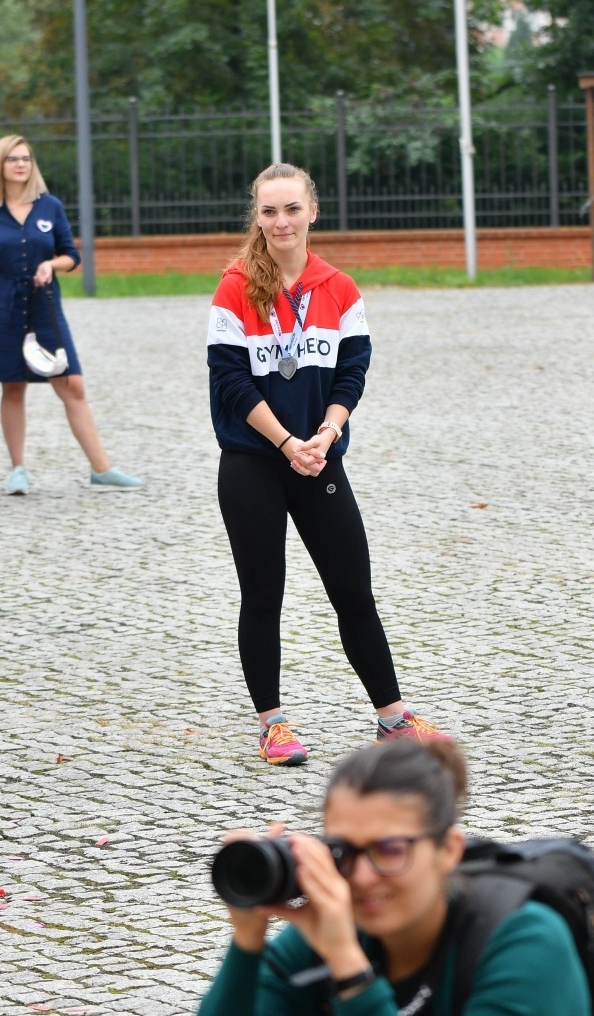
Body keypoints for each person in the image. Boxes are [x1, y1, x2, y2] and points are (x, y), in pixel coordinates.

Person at [207, 162, 442, 766]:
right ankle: (273, 724)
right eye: (269, 211)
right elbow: (231, 379)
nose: (280, 222)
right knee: (262, 595)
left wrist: (327, 432)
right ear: (256, 217)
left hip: (320, 455)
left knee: (353, 592)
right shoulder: (235, 286)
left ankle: (392, 717)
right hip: (254, 460)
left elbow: (352, 370)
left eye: (291, 209)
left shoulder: (339, 287)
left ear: (313, 211)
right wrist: (288, 442)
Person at [179, 739, 594, 1016]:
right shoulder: (330, 937)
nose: (362, 877)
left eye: (389, 850)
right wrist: (248, 938)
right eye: (344, 851)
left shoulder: (526, 942)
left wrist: (348, 967)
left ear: (448, 851)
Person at [0, 134, 142, 494]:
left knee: (72, 384)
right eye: (13, 159)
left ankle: (101, 468)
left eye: (26, 158)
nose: (22, 164)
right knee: (13, 386)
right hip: (1, 307)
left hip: (44, 306)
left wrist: (51, 264)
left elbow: (72, 255)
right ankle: (18, 469)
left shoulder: (49, 206)